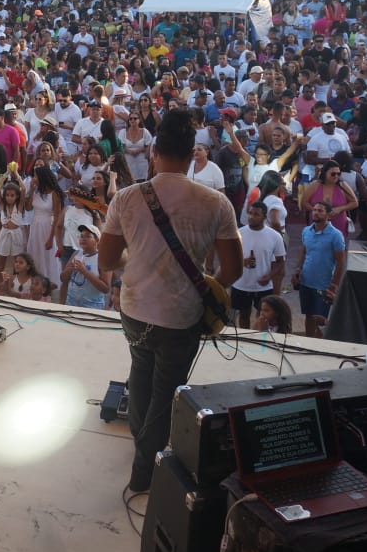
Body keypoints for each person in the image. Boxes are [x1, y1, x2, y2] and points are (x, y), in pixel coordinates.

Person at [98, 109, 242, 494]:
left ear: (153, 151)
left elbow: (108, 262)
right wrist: (207, 288)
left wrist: (135, 260)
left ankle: (141, 450)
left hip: (135, 309)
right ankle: (144, 471)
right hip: (182, 315)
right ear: (192, 152)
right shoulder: (215, 203)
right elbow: (233, 269)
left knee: (141, 375)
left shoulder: (127, 198)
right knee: (165, 394)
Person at [290, 199, 346, 338]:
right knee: (309, 316)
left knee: (320, 320)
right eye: (314, 210)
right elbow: (304, 252)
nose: (315, 213)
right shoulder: (306, 231)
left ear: (328, 215)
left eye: (320, 210)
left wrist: (333, 285)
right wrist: (298, 270)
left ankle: (321, 344)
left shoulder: (336, 235)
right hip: (306, 281)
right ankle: (309, 343)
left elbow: (340, 262)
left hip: (323, 284)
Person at [232, 203, 286, 330]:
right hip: (241, 284)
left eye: (256, 214)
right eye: (250, 213)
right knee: (243, 314)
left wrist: (269, 276)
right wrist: (243, 262)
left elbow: (280, 261)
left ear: (264, 217)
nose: (251, 217)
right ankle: (245, 337)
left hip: (264, 286)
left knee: (264, 316)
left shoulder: (274, 236)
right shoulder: (239, 233)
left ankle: (258, 338)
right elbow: (229, 256)